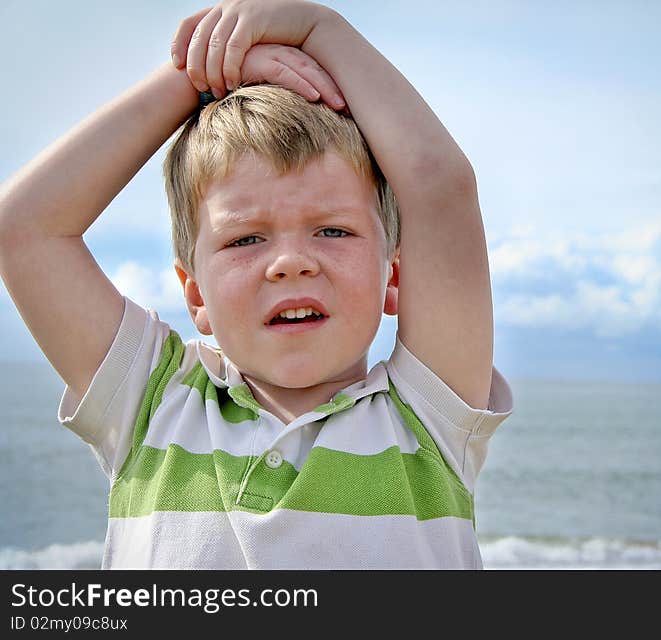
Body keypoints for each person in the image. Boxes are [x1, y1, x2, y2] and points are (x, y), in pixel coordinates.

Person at [0, 0, 513, 569]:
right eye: (245, 240)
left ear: (395, 274)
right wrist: (195, 78)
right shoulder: (150, 402)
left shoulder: (429, 419)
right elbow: (24, 230)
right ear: (196, 295)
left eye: (333, 230)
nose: (291, 263)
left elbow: (439, 184)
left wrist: (320, 28)